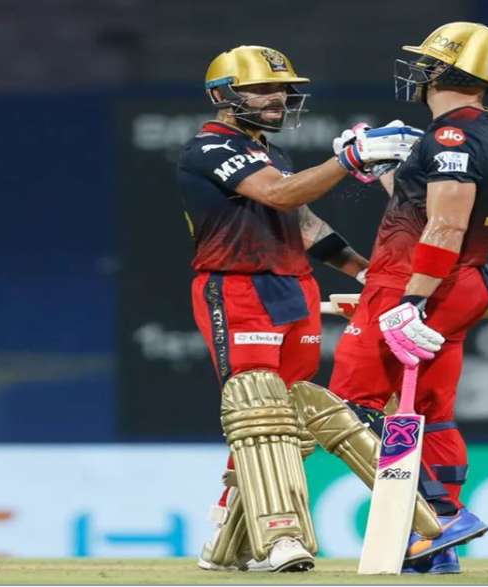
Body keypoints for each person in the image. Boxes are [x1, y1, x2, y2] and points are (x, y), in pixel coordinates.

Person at [176, 45, 419, 572]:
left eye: (283, 89)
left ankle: (229, 537)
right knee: (258, 410)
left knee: (288, 418)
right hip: (238, 287)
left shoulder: (272, 154)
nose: (278, 98)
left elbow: (305, 225)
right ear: (224, 95)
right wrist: (348, 161)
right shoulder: (210, 147)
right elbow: (281, 196)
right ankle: (279, 536)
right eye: (262, 89)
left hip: (294, 288)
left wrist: (367, 275)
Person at [329, 22, 488, 574]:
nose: (420, 71)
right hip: (460, 282)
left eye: (428, 62)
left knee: (343, 409)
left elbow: (446, 225)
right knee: (431, 413)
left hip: (418, 281)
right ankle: (438, 539)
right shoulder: (485, 128)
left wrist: (411, 300)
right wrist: (388, 169)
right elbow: (424, 206)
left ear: (447, 70)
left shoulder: (450, 136)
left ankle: (434, 521)